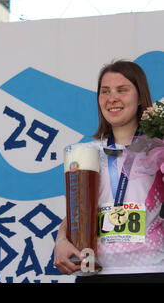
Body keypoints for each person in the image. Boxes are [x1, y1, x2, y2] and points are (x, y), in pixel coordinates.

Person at [54, 60, 164, 282]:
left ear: (140, 96)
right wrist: (61, 240)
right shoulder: (85, 152)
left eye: (122, 90)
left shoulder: (159, 147)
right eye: (105, 92)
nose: (112, 98)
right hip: (96, 271)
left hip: (152, 268)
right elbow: (78, 210)